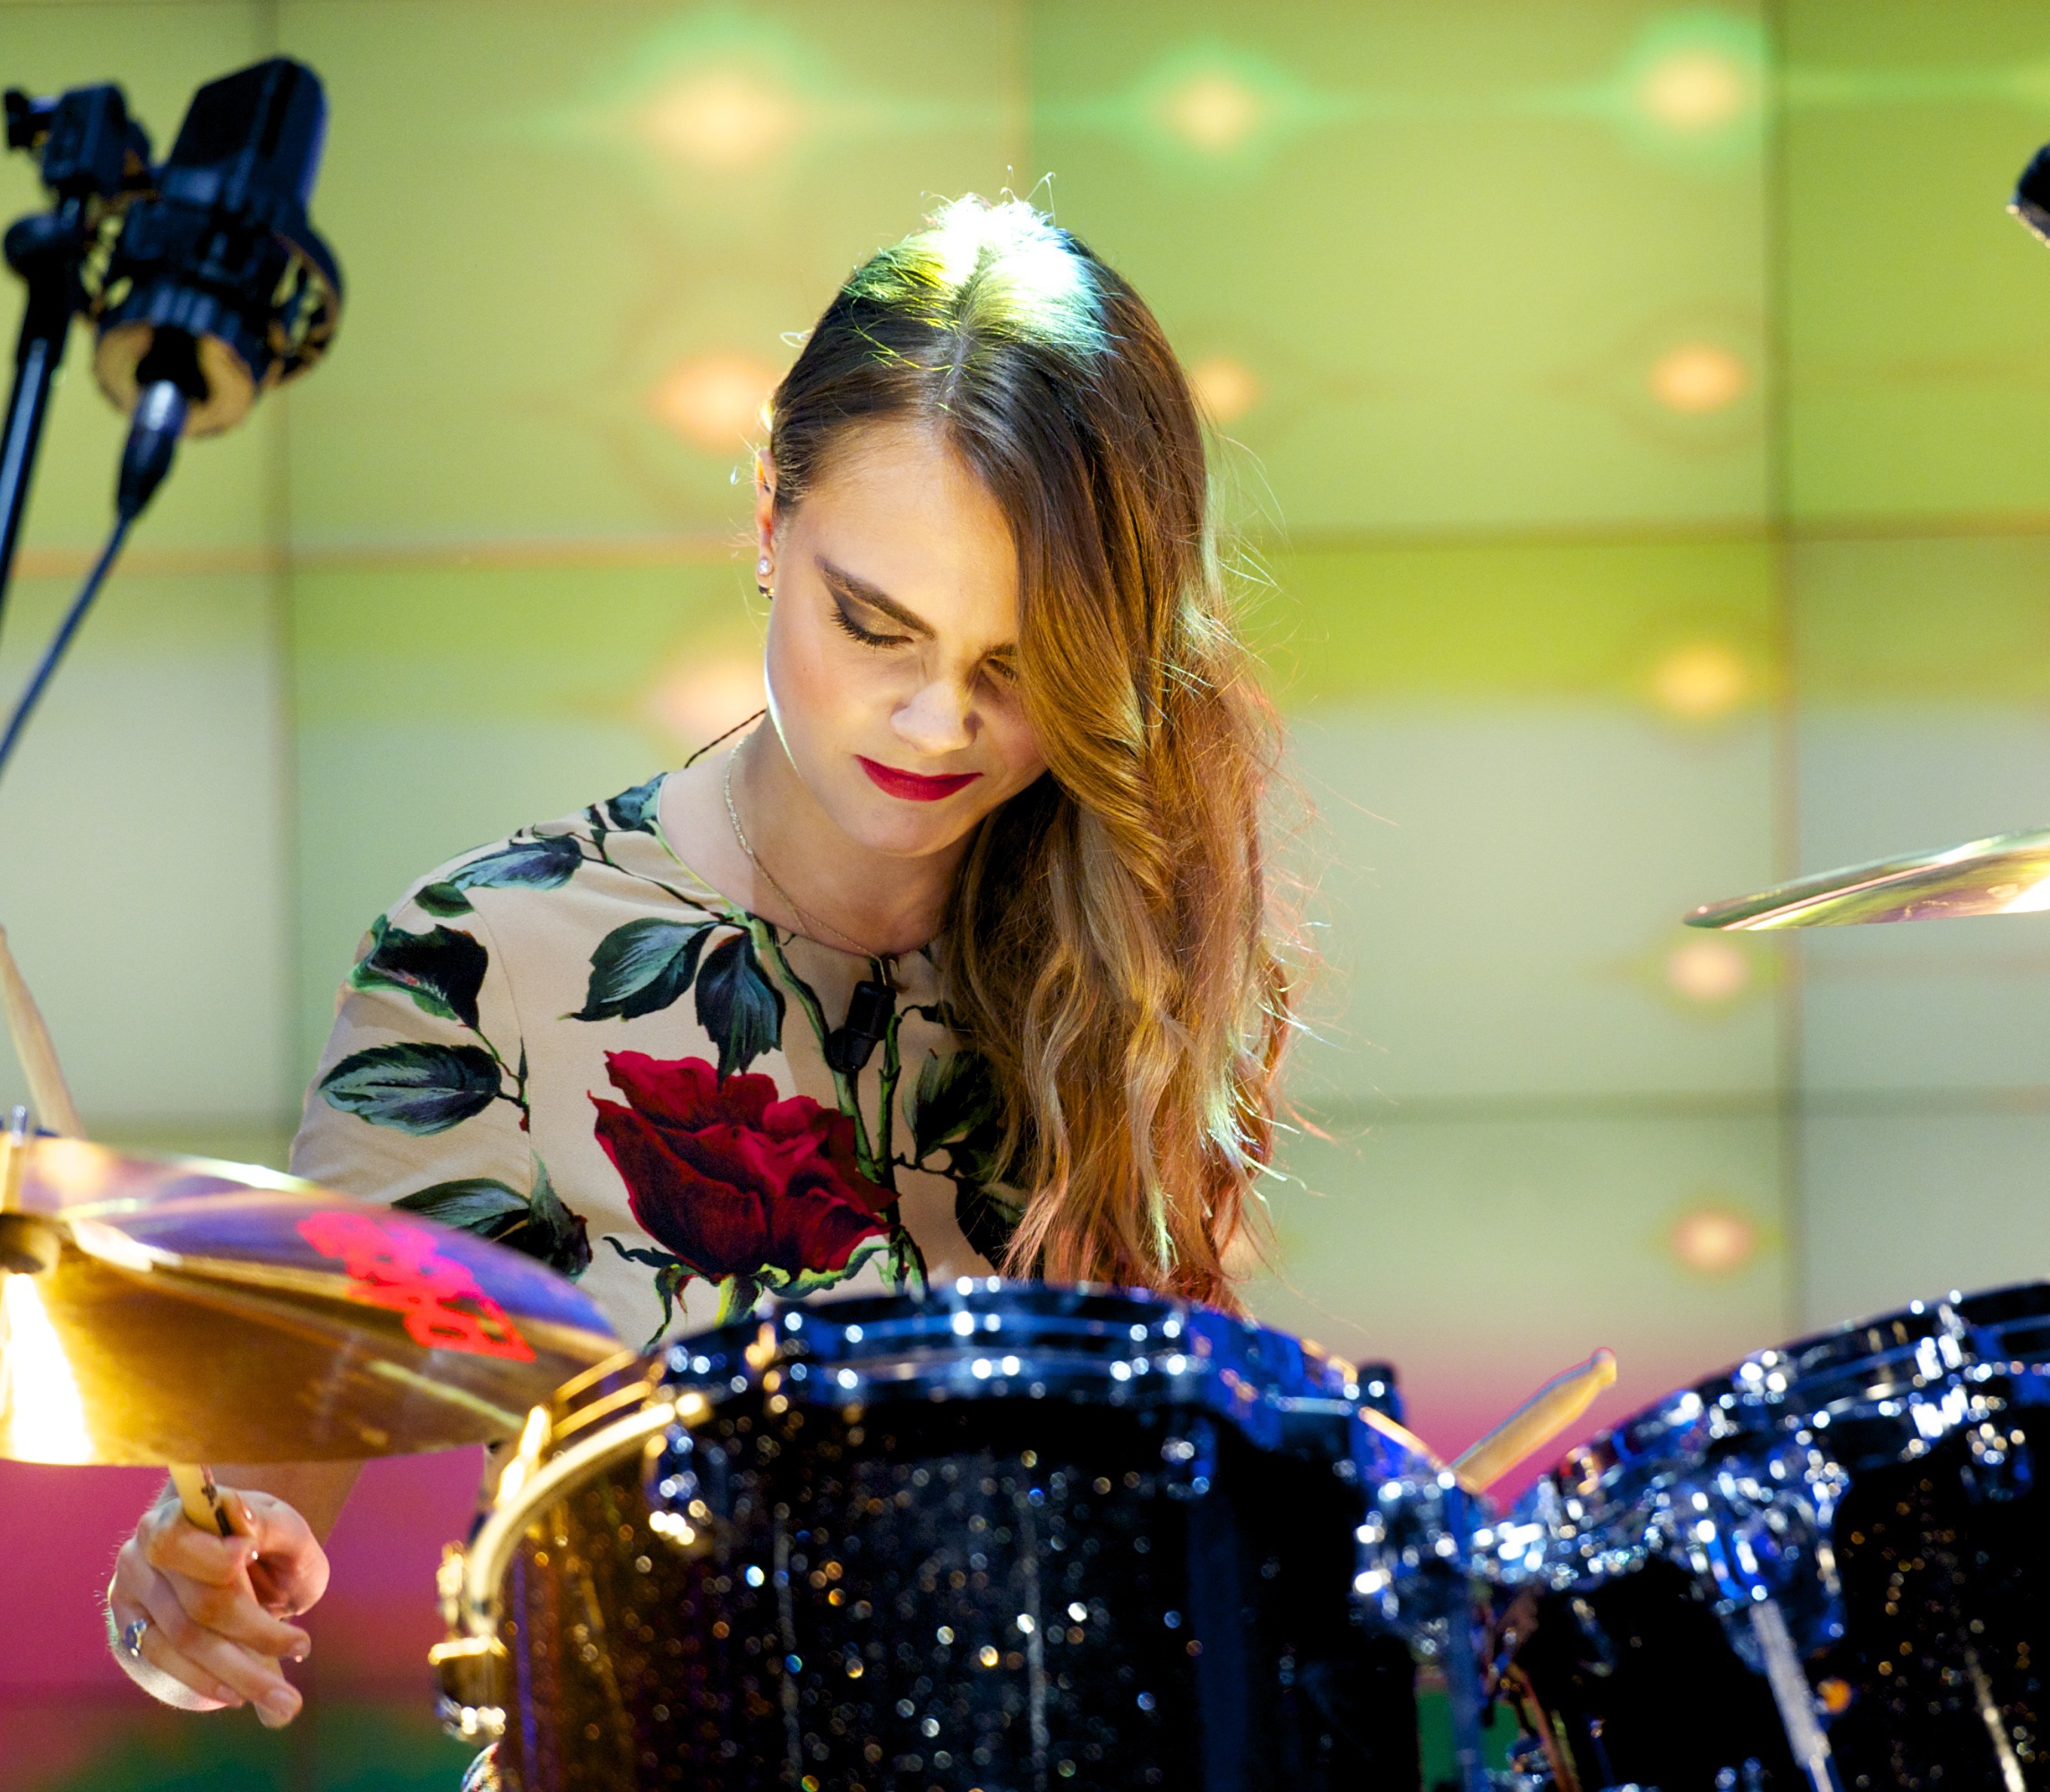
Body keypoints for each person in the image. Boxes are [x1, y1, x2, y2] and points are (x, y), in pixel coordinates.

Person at [100, 193, 1297, 1727]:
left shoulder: (1120, 937)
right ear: (768, 521)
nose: (939, 722)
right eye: (875, 626)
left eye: (1021, 666)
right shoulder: (491, 962)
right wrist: (181, 1597)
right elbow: (231, 1527)